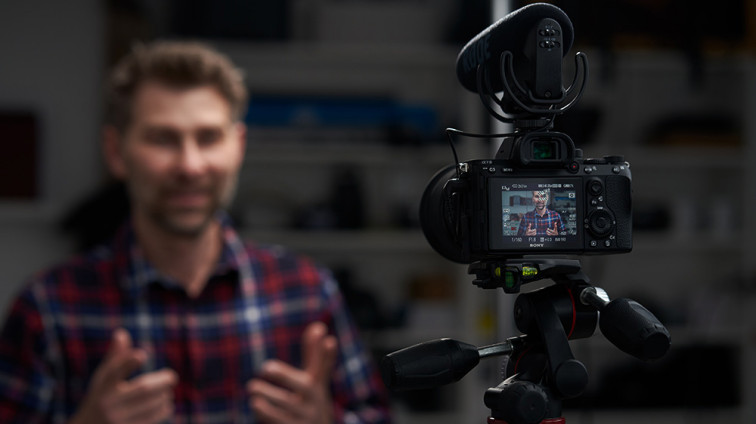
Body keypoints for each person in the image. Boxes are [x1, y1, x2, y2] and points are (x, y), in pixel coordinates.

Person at [0, 40, 391, 423]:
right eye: (163, 139)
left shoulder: (307, 292)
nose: (190, 166)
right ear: (116, 152)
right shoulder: (48, 308)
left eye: (208, 138)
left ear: (238, 146)